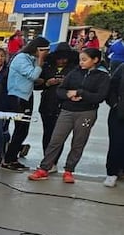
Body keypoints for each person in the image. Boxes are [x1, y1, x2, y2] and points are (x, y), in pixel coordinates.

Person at [28, 48, 110, 184]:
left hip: (86, 112)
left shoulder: (102, 77)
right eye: (80, 60)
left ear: (95, 60)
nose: (81, 63)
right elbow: (60, 90)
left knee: (78, 142)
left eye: (85, 60)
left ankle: (69, 170)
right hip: (67, 110)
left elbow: (100, 96)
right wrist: (67, 95)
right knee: (56, 140)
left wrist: (80, 93)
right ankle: (44, 168)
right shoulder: (74, 73)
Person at [1, 37, 51, 171]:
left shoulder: (31, 59)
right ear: (37, 49)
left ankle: (13, 157)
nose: (45, 53)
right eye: (43, 50)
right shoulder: (21, 58)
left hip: (27, 95)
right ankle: (8, 159)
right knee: (20, 129)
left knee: (24, 130)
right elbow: (33, 75)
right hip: (18, 96)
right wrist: (40, 61)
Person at [35, 42, 78, 167]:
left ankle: (54, 161)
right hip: (47, 104)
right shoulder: (47, 67)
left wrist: (66, 83)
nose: (62, 61)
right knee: (47, 133)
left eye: (65, 58)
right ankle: (46, 159)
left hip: (63, 106)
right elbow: (36, 85)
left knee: (59, 136)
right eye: (59, 58)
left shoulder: (74, 69)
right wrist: (47, 83)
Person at [104, 62, 124, 187]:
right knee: (116, 143)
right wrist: (115, 104)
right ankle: (112, 173)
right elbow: (111, 87)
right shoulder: (122, 68)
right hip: (119, 113)